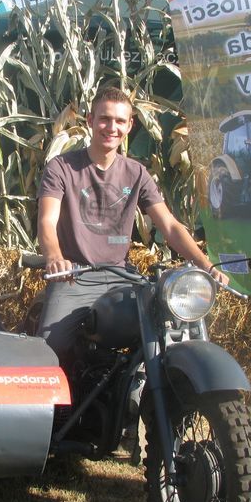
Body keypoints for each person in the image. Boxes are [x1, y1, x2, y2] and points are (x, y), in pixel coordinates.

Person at [36, 86, 229, 364]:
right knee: (50, 347)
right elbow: (47, 221)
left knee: (166, 326)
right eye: (104, 119)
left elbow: (170, 226)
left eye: (119, 121)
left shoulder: (136, 172)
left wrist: (204, 263)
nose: (111, 127)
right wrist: (55, 258)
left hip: (121, 277)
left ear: (130, 125)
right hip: (75, 276)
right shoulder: (62, 167)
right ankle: (62, 407)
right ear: (90, 120)